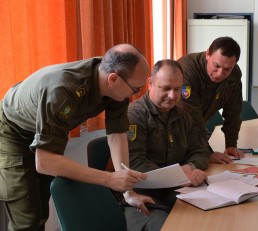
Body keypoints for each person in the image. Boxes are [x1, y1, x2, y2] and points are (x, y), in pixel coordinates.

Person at [0, 43, 155, 231]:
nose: (135, 94)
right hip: (12, 132)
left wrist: (127, 191)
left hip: (40, 129)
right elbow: (45, 162)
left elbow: (117, 134)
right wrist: (108, 179)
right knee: (27, 219)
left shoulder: (115, 83)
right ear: (113, 79)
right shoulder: (64, 91)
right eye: (136, 89)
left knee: (40, 210)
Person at [124, 59, 210, 231]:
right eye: (166, 88)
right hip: (139, 193)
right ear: (150, 84)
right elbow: (134, 162)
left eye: (177, 89)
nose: (172, 96)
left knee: (208, 216)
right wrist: (179, 175)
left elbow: (200, 150)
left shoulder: (183, 115)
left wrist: (190, 166)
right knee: (164, 227)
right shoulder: (135, 115)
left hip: (175, 190)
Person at [177, 36, 245, 164]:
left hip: (196, 134)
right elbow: (192, 117)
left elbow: (234, 110)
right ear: (208, 54)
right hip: (174, 134)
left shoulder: (234, 73)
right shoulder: (187, 71)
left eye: (227, 69)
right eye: (216, 66)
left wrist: (231, 144)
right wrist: (207, 153)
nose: (220, 73)